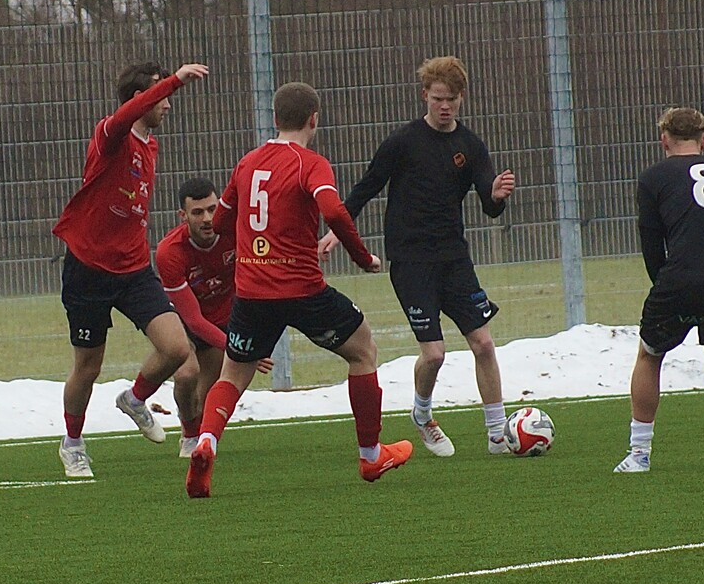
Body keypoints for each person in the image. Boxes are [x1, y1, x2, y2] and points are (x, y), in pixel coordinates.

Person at [185, 81, 412, 498]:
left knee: (233, 373)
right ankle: (370, 455)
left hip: (252, 294)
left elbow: (219, 224)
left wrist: (256, 247)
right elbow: (334, 212)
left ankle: (207, 442)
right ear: (314, 119)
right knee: (363, 351)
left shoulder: (248, 163)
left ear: (275, 118)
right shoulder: (311, 163)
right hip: (304, 291)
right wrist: (363, 257)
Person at [318, 55, 515, 458]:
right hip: (411, 262)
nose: (444, 106)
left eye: (451, 100)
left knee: (483, 343)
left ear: (461, 98)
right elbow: (367, 186)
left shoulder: (470, 145)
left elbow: (488, 203)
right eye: (438, 98)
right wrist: (338, 230)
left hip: (454, 259)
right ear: (425, 95)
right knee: (435, 354)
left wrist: (496, 196)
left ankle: (498, 433)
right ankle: (422, 415)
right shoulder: (403, 142)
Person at [53, 60, 208, 478]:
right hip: (88, 268)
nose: (167, 105)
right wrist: (175, 80)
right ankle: (72, 444)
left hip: (134, 269)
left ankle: (134, 399)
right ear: (141, 99)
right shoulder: (111, 135)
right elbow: (124, 116)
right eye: (161, 96)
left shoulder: (149, 144)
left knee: (177, 349)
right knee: (88, 367)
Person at [613, 106, 704, 473]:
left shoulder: (653, 178)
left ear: (664, 140)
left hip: (682, 281)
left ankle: (639, 454)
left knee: (650, 353)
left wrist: (665, 287)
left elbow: (652, 247)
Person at [155, 176, 272, 459]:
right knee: (186, 375)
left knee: (207, 393)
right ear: (183, 215)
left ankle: (199, 434)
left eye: (212, 209)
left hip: (223, 318)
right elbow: (193, 320)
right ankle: (189, 433)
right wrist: (239, 350)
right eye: (197, 212)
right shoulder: (170, 252)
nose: (207, 219)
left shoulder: (236, 233)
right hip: (186, 319)